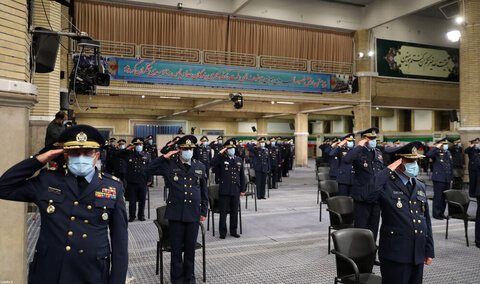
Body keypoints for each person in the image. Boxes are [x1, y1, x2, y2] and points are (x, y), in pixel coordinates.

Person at [0, 124, 128, 283]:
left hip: (92, 272)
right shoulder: (47, 180)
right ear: (66, 156)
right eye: (75, 153)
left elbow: (120, 241)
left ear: (96, 156)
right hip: (51, 271)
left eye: (87, 152)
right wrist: (40, 159)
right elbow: (4, 187)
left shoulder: (112, 186)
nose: (81, 157)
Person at [147, 135, 208, 283]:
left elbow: (204, 191)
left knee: (189, 251)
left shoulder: (200, 166)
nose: (189, 151)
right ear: (179, 150)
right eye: (185, 148)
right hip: (176, 215)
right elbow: (147, 169)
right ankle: (177, 280)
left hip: (193, 214)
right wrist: (164, 157)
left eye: (191, 148)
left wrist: (203, 211)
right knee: (176, 252)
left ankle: (189, 279)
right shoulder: (169, 164)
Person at [373, 141, 434, 284]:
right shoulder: (385, 183)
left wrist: (429, 249)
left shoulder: (419, 185)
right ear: (398, 162)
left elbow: (425, 219)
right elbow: (367, 194)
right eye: (410, 160)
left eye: (416, 160)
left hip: (417, 251)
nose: (414, 164)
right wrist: (388, 170)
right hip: (395, 253)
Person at [343, 127, 384, 240]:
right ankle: (360, 254)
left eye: (374, 138)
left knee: (373, 229)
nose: (373, 140)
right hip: (362, 197)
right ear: (363, 139)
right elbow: (346, 160)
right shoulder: (358, 151)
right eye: (370, 138)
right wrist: (360, 145)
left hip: (376, 197)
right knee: (361, 228)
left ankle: (370, 253)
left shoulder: (378, 153)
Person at [212, 139, 246, 239]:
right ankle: (222, 232)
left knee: (234, 212)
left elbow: (242, 176)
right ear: (226, 150)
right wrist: (220, 152)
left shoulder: (239, 160)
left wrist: (242, 189)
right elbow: (212, 163)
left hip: (235, 189)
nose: (232, 150)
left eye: (233, 148)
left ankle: (233, 231)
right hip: (225, 189)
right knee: (223, 213)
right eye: (229, 149)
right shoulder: (221, 159)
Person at [117, 137, 151, 222]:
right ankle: (132, 216)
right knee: (132, 201)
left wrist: (150, 179)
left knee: (142, 200)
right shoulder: (129, 154)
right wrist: (127, 149)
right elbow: (117, 154)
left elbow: (150, 168)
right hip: (131, 181)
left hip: (143, 181)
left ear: (143, 145)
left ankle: (141, 215)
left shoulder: (146, 155)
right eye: (137, 144)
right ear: (133, 146)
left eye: (140, 144)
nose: (139, 146)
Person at [425, 138, 452, 220]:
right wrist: (436, 147)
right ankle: (436, 213)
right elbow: (428, 155)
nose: (445, 146)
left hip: (447, 178)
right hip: (439, 178)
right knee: (438, 197)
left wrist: (451, 178)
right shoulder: (436, 153)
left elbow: (450, 166)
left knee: (445, 197)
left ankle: (442, 213)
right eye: (444, 144)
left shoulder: (447, 153)